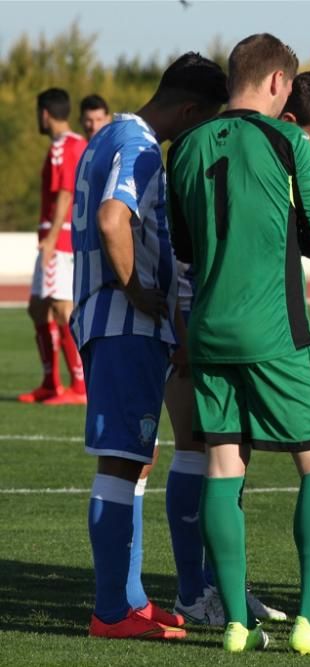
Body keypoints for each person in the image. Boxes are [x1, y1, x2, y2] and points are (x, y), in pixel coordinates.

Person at [167, 34, 310, 655]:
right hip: (275, 330)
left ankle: (234, 624)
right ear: (279, 83)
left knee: (223, 465)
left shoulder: (186, 146)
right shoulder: (288, 140)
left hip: (208, 331)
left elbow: (186, 247)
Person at [73, 52, 228, 641]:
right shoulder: (138, 146)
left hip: (117, 325)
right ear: (189, 110)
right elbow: (115, 220)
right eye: (200, 122)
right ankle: (112, 611)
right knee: (120, 463)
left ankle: (131, 600)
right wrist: (137, 289)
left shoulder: (111, 133)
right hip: (122, 325)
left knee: (134, 462)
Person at [19, 88, 87, 406]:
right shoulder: (75, 145)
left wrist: (50, 239)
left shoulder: (64, 147)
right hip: (60, 237)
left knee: (61, 309)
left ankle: (79, 385)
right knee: (38, 308)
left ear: (45, 113)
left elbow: (65, 193)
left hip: (58, 240)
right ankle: (51, 383)